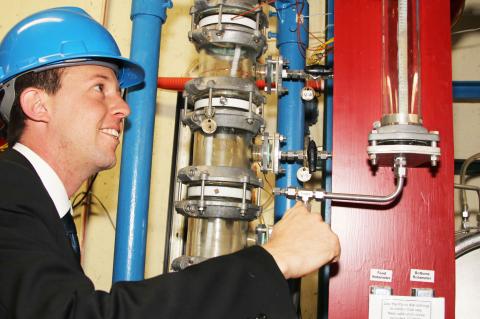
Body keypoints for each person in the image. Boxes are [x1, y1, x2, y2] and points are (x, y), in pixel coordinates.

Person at [0, 7, 340, 319]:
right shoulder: (8, 196)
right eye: (99, 88)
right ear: (38, 105)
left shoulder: (35, 204)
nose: (123, 108)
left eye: (119, 92)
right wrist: (272, 260)